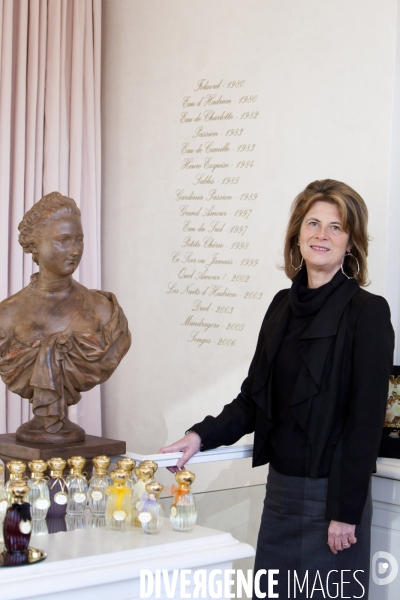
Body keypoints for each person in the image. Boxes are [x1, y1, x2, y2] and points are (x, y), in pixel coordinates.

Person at [160, 179, 394, 598]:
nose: (321, 235)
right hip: (280, 496)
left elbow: (364, 423)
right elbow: (254, 399)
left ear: (351, 243)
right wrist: (200, 436)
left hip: (332, 505)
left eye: (336, 227)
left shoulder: (368, 312)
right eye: (313, 223)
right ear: (297, 234)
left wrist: (344, 514)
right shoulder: (280, 306)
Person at [0, 191, 131, 443]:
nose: (74, 251)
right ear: (34, 245)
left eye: (78, 239)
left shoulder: (104, 311)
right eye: (63, 240)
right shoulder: (7, 315)